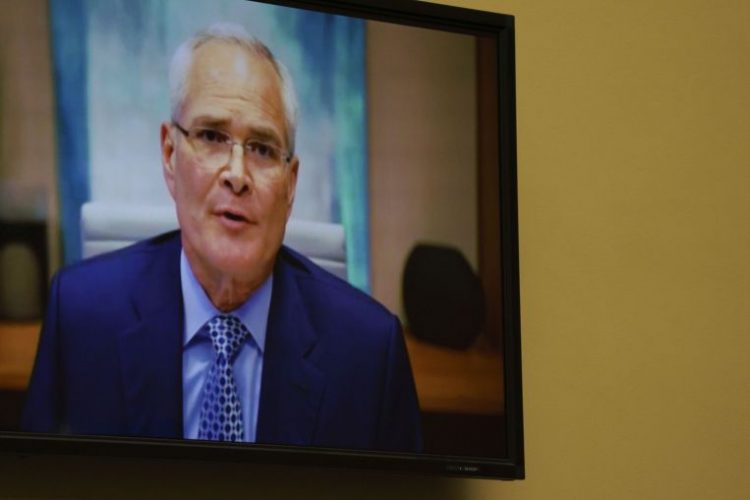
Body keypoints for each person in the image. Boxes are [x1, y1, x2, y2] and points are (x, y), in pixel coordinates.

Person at [21, 23, 422, 453]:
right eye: (212, 136)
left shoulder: (369, 353)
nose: (236, 174)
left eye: (263, 148)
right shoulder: (81, 317)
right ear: (170, 155)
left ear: (290, 184)